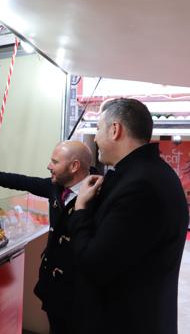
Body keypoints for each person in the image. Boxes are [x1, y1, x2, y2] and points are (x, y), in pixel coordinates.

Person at [70, 98, 189, 334]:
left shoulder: (140, 186)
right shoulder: (152, 173)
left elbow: (93, 264)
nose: (94, 138)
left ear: (115, 130)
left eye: (97, 129)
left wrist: (81, 207)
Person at [0, 140, 93, 334]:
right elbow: (23, 181)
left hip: (79, 293)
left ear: (74, 166)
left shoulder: (97, 194)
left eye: (55, 162)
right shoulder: (56, 186)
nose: (49, 166)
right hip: (54, 289)